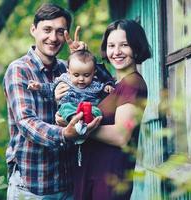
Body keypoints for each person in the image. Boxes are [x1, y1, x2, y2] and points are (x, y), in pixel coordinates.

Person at [3, 3, 104, 199]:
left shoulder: (68, 69)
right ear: (33, 30)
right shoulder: (19, 70)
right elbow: (26, 122)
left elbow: (99, 89)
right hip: (32, 186)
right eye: (47, 30)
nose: (53, 38)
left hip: (67, 185)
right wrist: (65, 133)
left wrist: (82, 55)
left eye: (60, 32)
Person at [56, 19, 151, 199]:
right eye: (111, 45)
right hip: (95, 176)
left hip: (108, 182)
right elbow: (97, 76)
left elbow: (121, 135)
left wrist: (77, 129)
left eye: (124, 45)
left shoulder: (133, 84)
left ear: (136, 47)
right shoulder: (115, 85)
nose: (116, 52)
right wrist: (80, 54)